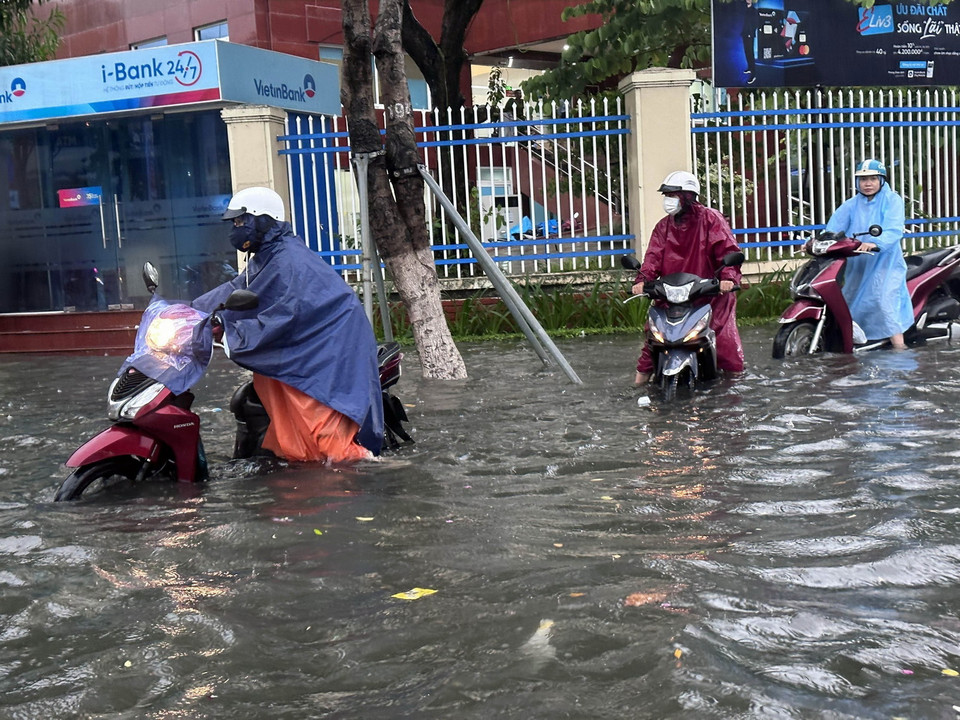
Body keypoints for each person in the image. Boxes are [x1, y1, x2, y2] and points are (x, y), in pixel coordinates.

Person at [192, 186, 384, 462]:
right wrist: (190, 312)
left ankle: (374, 470)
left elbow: (286, 315)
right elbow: (237, 289)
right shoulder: (267, 257)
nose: (236, 228)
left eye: (240, 221)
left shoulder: (288, 260)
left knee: (327, 440)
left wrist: (229, 329)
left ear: (261, 219)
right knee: (292, 432)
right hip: (310, 346)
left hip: (326, 350)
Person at [631, 171, 744, 385]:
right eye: (666, 195)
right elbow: (653, 257)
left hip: (709, 295)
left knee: (724, 343)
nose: (668, 201)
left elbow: (727, 249)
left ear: (688, 196)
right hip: (672, 295)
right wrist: (642, 280)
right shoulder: (663, 226)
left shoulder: (711, 219)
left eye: (673, 195)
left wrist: (727, 278)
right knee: (652, 339)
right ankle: (637, 387)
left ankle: (734, 388)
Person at [825, 159, 913, 350]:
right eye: (863, 179)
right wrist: (817, 242)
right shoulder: (851, 204)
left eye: (873, 178)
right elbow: (833, 228)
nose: (868, 183)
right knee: (849, 299)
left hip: (885, 262)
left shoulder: (892, 200)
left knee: (883, 300)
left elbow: (894, 229)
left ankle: (900, 347)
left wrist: (875, 243)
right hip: (857, 262)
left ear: (881, 180)